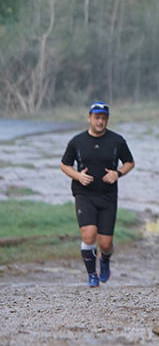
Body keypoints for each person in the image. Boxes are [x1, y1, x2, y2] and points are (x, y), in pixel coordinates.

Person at [59, 101, 135, 287]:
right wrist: (77, 176)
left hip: (108, 195)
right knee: (88, 234)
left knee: (106, 243)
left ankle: (105, 260)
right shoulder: (77, 141)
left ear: (107, 120)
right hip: (84, 194)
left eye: (103, 118)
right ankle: (92, 275)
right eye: (96, 118)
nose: (100, 122)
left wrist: (117, 173)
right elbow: (64, 165)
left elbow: (129, 162)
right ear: (89, 118)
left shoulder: (117, 141)